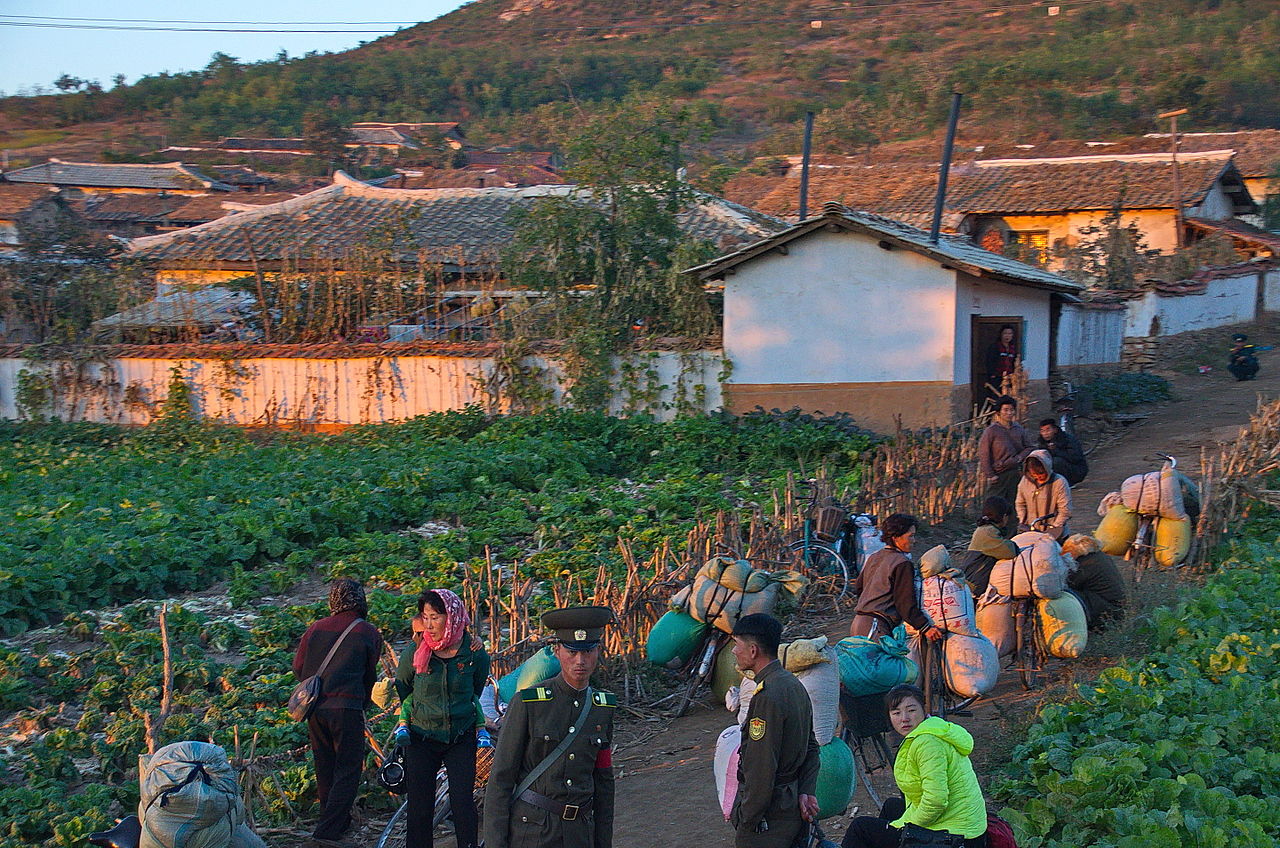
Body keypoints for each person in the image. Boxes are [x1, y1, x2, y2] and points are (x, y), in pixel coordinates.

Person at [484, 605, 618, 848]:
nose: (580, 661)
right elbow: (501, 779)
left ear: (598, 651)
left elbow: (604, 782)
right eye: (572, 652)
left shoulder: (602, 707)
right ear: (557, 651)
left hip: (580, 833)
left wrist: (602, 842)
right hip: (534, 832)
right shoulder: (529, 703)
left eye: (588, 651)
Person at [394, 589, 490, 848]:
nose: (429, 625)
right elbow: (403, 685)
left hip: (460, 736)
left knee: (462, 803)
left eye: (435, 618)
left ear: (452, 618)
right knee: (420, 806)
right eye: (425, 617)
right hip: (421, 736)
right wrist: (421, 710)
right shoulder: (416, 651)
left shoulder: (474, 653)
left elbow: (476, 689)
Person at [292, 579, 384, 848]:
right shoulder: (367, 631)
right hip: (348, 706)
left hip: (315, 707)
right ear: (360, 600)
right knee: (348, 768)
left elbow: (298, 668)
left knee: (325, 766)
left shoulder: (316, 628)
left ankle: (333, 822)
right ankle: (327, 831)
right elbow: (369, 674)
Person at [842, 685, 987, 848]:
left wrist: (903, 826)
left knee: (860, 828)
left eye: (911, 710)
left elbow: (936, 802)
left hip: (959, 836)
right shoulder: (934, 728)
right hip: (962, 824)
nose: (904, 718)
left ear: (924, 709)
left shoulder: (928, 743)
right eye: (896, 713)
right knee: (891, 806)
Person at [729, 613, 821, 848]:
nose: (734, 651)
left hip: (771, 814)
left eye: (737, 644)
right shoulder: (793, 684)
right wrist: (806, 790)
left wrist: (748, 818)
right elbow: (812, 746)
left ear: (753, 651)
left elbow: (761, 767)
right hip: (791, 804)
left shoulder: (767, 696)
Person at [849, 514, 943, 644]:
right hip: (876, 627)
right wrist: (925, 627)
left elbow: (859, 587)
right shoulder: (902, 563)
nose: (914, 540)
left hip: (858, 623)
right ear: (895, 537)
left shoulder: (875, 557)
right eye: (910, 536)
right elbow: (905, 603)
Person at [977, 396, 1036, 516]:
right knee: (994, 507)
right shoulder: (991, 431)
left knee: (1015, 505)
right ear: (998, 412)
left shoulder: (1018, 429)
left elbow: (1030, 447)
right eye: (1006, 410)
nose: (1009, 413)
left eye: (1011, 410)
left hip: (1015, 472)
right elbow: (984, 454)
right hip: (998, 474)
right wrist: (990, 474)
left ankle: (1013, 528)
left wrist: (1019, 458)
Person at [1062, 534, 1127, 630]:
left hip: (1106, 610)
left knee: (1064, 595)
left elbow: (1066, 583)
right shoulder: (1099, 556)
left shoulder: (1085, 563)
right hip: (1114, 607)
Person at [957, 497, 1019, 597]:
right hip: (973, 585)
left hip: (972, 582)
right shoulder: (988, 532)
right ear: (1004, 516)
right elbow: (1010, 551)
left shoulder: (985, 529)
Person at [1015, 450, 1072, 541]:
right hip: (1031, 533)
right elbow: (1020, 503)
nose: (1038, 477)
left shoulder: (1059, 482)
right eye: (1034, 474)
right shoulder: (1024, 482)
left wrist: (1055, 528)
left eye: (1041, 473)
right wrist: (1023, 520)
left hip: (1055, 534)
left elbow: (1065, 510)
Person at [1036, 419, 1088, 487]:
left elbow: (1075, 458)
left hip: (1076, 469)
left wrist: (1055, 450)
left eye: (1048, 430)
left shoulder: (1067, 439)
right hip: (1056, 469)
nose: (1045, 433)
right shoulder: (1042, 443)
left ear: (1055, 430)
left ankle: (1067, 483)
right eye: (1042, 431)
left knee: (1057, 462)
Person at [984, 325, 1018, 397]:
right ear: (1001, 334)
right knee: (996, 397)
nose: (1007, 336)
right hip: (997, 377)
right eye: (1005, 333)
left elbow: (1015, 362)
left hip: (1010, 378)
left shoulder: (1013, 348)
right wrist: (992, 375)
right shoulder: (995, 347)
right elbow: (989, 361)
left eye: (1010, 334)